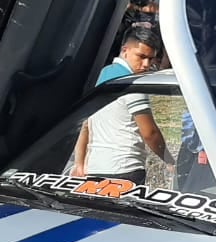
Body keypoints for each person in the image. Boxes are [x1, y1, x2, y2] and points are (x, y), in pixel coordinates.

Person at [71, 25, 171, 184]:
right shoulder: (133, 84)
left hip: (95, 168)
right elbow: (149, 133)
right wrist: (169, 160)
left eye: (151, 59)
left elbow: (85, 124)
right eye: (141, 56)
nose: (146, 64)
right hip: (126, 170)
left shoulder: (102, 75)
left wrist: (79, 163)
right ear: (125, 51)